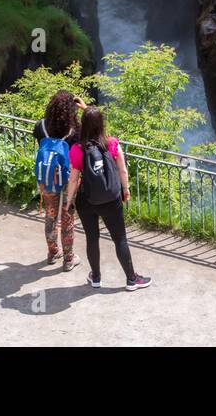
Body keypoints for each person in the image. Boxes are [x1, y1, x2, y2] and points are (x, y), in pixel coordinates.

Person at [64, 107, 151, 291]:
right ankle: (131, 279)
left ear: (84, 125)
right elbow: (122, 170)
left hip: (86, 200)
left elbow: (73, 179)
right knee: (120, 239)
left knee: (92, 238)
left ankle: (96, 277)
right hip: (111, 200)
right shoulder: (112, 144)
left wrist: (69, 200)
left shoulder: (78, 149)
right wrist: (125, 190)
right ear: (102, 123)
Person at [33, 91, 81, 268]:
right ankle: (69, 259)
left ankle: (53, 252)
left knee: (50, 214)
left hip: (47, 176)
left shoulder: (40, 127)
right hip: (69, 178)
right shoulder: (75, 131)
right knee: (67, 217)